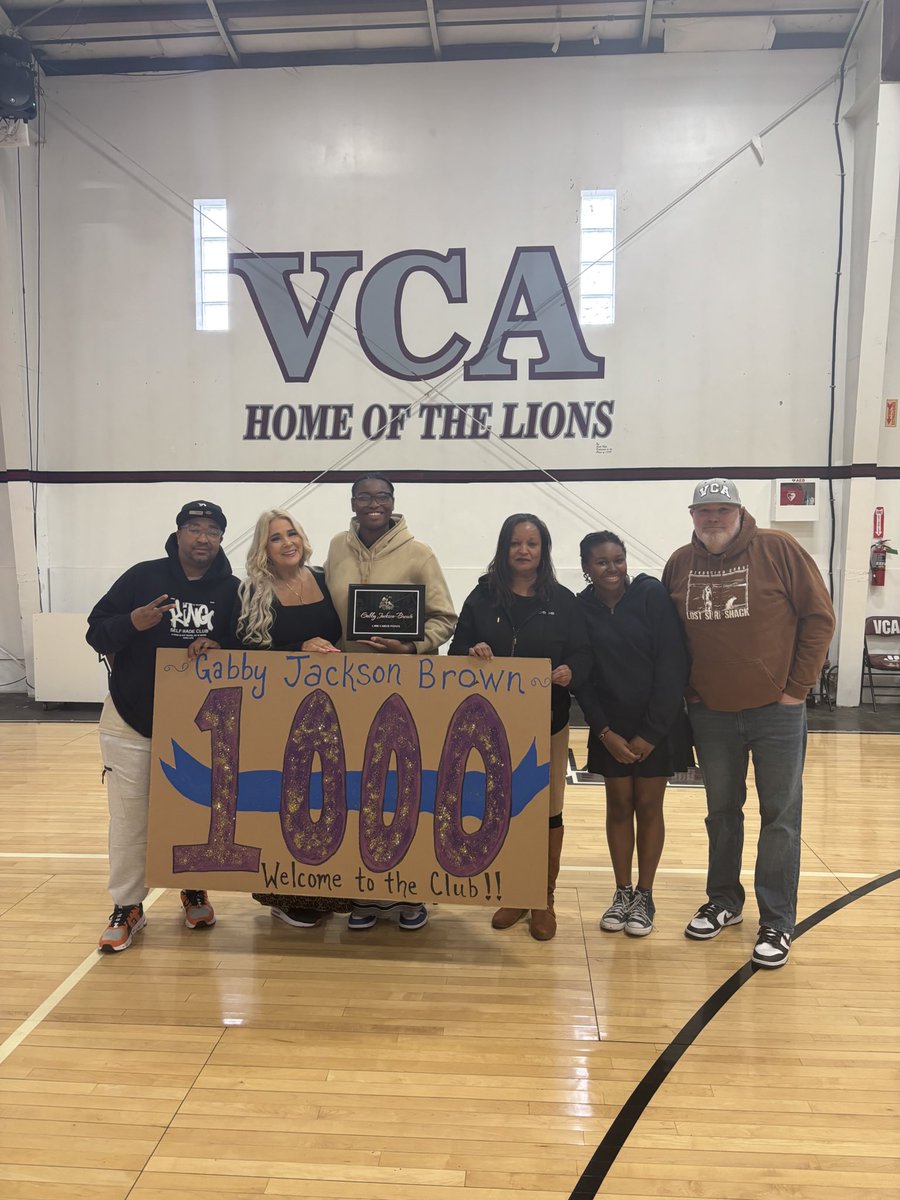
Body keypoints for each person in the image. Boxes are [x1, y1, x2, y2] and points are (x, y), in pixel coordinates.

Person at [662, 478, 835, 969]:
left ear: (739, 511)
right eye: (704, 511)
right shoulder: (679, 563)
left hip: (776, 712)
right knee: (721, 813)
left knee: (779, 817)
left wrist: (794, 691)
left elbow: (819, 618)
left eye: (722, 509)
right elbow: (669, 635)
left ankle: (777, 920)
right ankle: (724, 902)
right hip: (711, 713)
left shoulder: (778, 548)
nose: (713, 518)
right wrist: (689, 691)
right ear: (691, 515)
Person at [86, 501, 240, 952]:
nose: (202, 537)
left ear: (220, 539)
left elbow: (248, 645)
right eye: (194, 528)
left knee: (195, 813)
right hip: (131, 717)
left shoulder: (232, 589)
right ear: (178, 534)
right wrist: (133, 622)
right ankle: (128, 905)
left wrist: (222, 644)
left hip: (200, 727)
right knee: (131, 817)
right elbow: (96, 630)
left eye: (212, 530)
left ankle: (191, 888)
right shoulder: (142, 577)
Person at [448, 514, 590, 941]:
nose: (524, 550)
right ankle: (514, 890)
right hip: (492, 728)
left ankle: (542, 898)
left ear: (544, 550)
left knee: (546, 812)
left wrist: (569, 671)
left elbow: (585, 657)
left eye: (532, 543)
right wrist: (472, 651)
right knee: (504, 809)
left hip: (548, 724)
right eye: (515, 543)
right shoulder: (482, 596)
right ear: (504, 548)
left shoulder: (564, 601)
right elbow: (455, 653)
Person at [325, 473, 457, 931]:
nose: (373, 503)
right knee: (358, 790)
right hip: (350, 691)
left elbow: (445, 619)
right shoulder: (337, 548)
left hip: (407, 692)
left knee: (405, 788)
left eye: (381, 496)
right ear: (354, 502)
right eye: (365, 496)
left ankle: (411, 887)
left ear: (393, 503)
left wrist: (414, 647)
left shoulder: (420, 553)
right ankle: (363, 891)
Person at [232, 508, 351, 929]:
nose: (287, 543)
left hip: (332, 707)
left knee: (328, 796)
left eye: (292, 534)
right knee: (288, 799)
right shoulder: (252, 591)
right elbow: (243, 653)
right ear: (263, 548)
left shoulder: (324, 579)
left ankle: (329, 885)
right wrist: (297, 647)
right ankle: (284, 894)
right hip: (279, 711)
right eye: (275, 538)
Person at [575, 532, 691, 937]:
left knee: (648, 805)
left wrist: (651, 733)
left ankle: (645, 895)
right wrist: (604, 731)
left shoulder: (651, 595)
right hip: (610, 725)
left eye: (618, 559)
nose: (612, 569)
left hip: (655, 725)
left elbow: (673, 664)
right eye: (602, 562)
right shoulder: (581, 607)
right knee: (619, 805)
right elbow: (583, 677)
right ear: (586, 567)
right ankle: (622, 892)